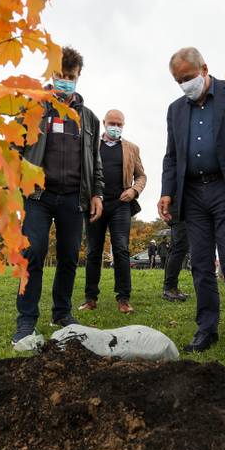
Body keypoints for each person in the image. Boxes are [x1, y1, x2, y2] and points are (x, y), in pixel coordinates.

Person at [158, 47, 225, 356]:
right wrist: (167, 191)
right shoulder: (176, 110)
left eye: (188, 78)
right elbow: (172, 155)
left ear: (204, 69)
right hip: (192, 194)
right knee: (201, 263)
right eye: (178, 81)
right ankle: (206, 328)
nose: (184, 85)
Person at [13, 46, 104, 343]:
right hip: (39, 196)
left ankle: (62, 312)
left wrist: (96, 194)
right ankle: (26, 320)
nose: (65, 81)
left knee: (67, 257)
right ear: (51, 74)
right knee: (33, 253)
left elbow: (95, 160)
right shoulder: (33, 108)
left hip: (73, 198)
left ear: (78, 77)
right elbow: (14, 147)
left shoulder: (89, 118)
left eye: (71, 76)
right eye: (60, 75)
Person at [78, 109, 146, 314]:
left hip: (120, 205)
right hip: (95, 205)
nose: (115, 127)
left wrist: (134, 190)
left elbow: (141, 176)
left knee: (122, 250)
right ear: (104, 123)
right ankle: (90, 298)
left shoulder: (131, 149)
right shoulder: (90, 146)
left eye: (119, 124)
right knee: (93, 251)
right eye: (112, 123)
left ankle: (123, 299)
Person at [162, 203, 190, 302]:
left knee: (175, 249)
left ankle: (171, 287)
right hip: (179, 211)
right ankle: (169, 288)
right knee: (179, 248)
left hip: (178, 211)